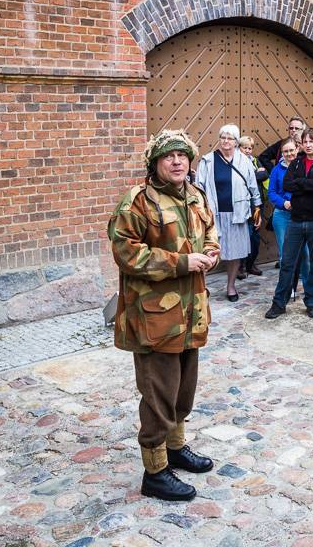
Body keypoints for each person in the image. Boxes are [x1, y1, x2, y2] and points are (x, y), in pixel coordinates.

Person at [109, 130, 220, 502]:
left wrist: (211, 251)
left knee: (183, 389)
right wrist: (182, 262)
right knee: (158, 393)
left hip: (191, 313)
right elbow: (128, 254)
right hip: (155, 317)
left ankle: (176, 448)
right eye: (169, 156)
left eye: (182, 155)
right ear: (155, 163)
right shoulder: (137, 202)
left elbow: (210, 233)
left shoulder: (196, 196)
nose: (177, 161)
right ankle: (155, 471)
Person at [265, 128, 313, 320]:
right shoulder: (296, 162)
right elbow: (287, 185)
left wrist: (301, 184)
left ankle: (311, 301)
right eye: (305, 141)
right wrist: (312, 182)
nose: (308, 144)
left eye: (312, 141)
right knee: (287, 263)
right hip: (295, 221)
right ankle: (279, 303)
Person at [194, 124, 261, 303]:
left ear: (236, 141)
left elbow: (253, 185)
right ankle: (201, 287)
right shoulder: (208, 160)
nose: (226, 141)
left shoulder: (244, 161)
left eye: (230, 138)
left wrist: (257, 207)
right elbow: (199, 187)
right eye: (223, 137)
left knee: (235, 253)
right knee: (208, 251)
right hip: (213, 214)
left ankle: (231, 286)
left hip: (237, 214)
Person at [268, 139, 311, 298]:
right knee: (285, 255)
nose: (289, 154)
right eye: (286, 151)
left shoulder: (304, 166)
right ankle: (288, 289)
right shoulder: (276, 170)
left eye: (292, 150)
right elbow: (271, 193)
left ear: (297, 149)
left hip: (302, 215)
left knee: (305, 254)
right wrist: (283, 203)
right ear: (282, 153)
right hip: (283, 216)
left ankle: (309, 289)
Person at [238, 135, 266, 277]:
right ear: (239, 148)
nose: (248, 150)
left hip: (256, 205)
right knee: (244, 236)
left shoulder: (255, 161)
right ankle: (241, 266)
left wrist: (254, 174)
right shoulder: (235, 163)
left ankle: (251, 264)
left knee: (255, 236)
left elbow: (264, 174)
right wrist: (255, 175)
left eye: (250, 148)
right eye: (245, 147)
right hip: (242, 205)